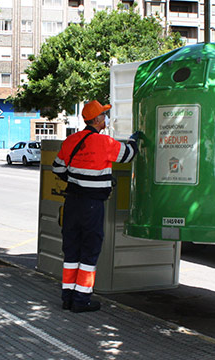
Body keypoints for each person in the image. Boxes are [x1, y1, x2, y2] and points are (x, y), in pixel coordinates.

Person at [52, 100, 140, 313]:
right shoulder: (104, 143)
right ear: (98, 120)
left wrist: (76, 180)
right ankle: (81, 301)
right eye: (104, 115)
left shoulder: (71, 140)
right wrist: (134, 140)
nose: (106, 119)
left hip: (72, 202)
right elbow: (128, 155)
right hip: (92, 205)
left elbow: (57, 168)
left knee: (71, 251)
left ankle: (68, 298)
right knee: (90, 252)